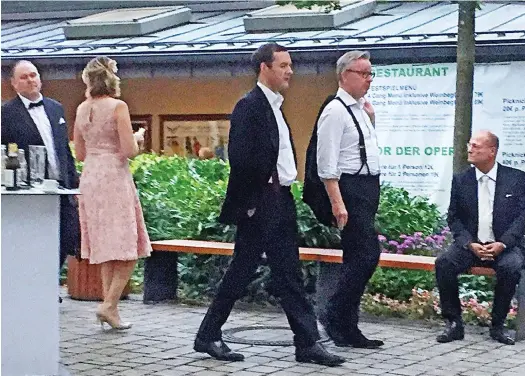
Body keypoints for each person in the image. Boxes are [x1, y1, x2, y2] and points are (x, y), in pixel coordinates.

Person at [194, 43, 345, 367]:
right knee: (241, 271)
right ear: (265, 68)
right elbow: (241, 159)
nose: (290, 71)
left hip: (281, 199)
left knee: (289, 275)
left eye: (290, 65)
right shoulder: (250, 106)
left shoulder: (275, 106)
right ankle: (208, 335)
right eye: (283, 65)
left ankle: (306, 344)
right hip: (262, 202)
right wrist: (254, 200)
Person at [74, 56, 152, 330]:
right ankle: (107, 305)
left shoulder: (82, 109)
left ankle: (112, 311)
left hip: (91, 178)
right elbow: (129, 151)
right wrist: (138, 139)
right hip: (114, 177)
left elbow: (80, 153)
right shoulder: (119, 106)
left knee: (107, 248)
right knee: (129, 247)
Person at [316, 51, 384, 348]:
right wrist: (337, 201)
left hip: (367, 187)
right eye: (363, 73)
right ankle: (333, 314)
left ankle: (348, 327)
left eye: (371, 74)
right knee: (368, 255)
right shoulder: (335, 110)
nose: (369, 79)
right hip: (350, 189)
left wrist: (371, 119)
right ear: (344, 75)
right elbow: (326, 162)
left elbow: (363, 149)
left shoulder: (360, 108)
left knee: (357, 257)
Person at [435, 130, 525, 345]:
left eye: (476, 145)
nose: (470, 148)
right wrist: (469, 243)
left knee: (511, 267)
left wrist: (503, 243)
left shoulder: (516, 178)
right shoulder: (461, 180)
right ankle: (454, 324)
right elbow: (454, 218)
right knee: (444, 264)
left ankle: (498, 326)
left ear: (492, 151)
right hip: (471, 245)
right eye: (469, 144)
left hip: (504, 245)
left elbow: (522, 216)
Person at [1, 60, 80, 302]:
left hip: (61, 186)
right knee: (33, 237)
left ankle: (47, 280)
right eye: (24, 77)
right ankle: (36, 285)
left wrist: (73, 180)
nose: (31, 80)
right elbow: (6, 151)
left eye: (34, 75)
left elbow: (63, 148)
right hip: (29, 187)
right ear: (14, 84)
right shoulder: (6, 113)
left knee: (67, 235)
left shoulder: (55, 108)